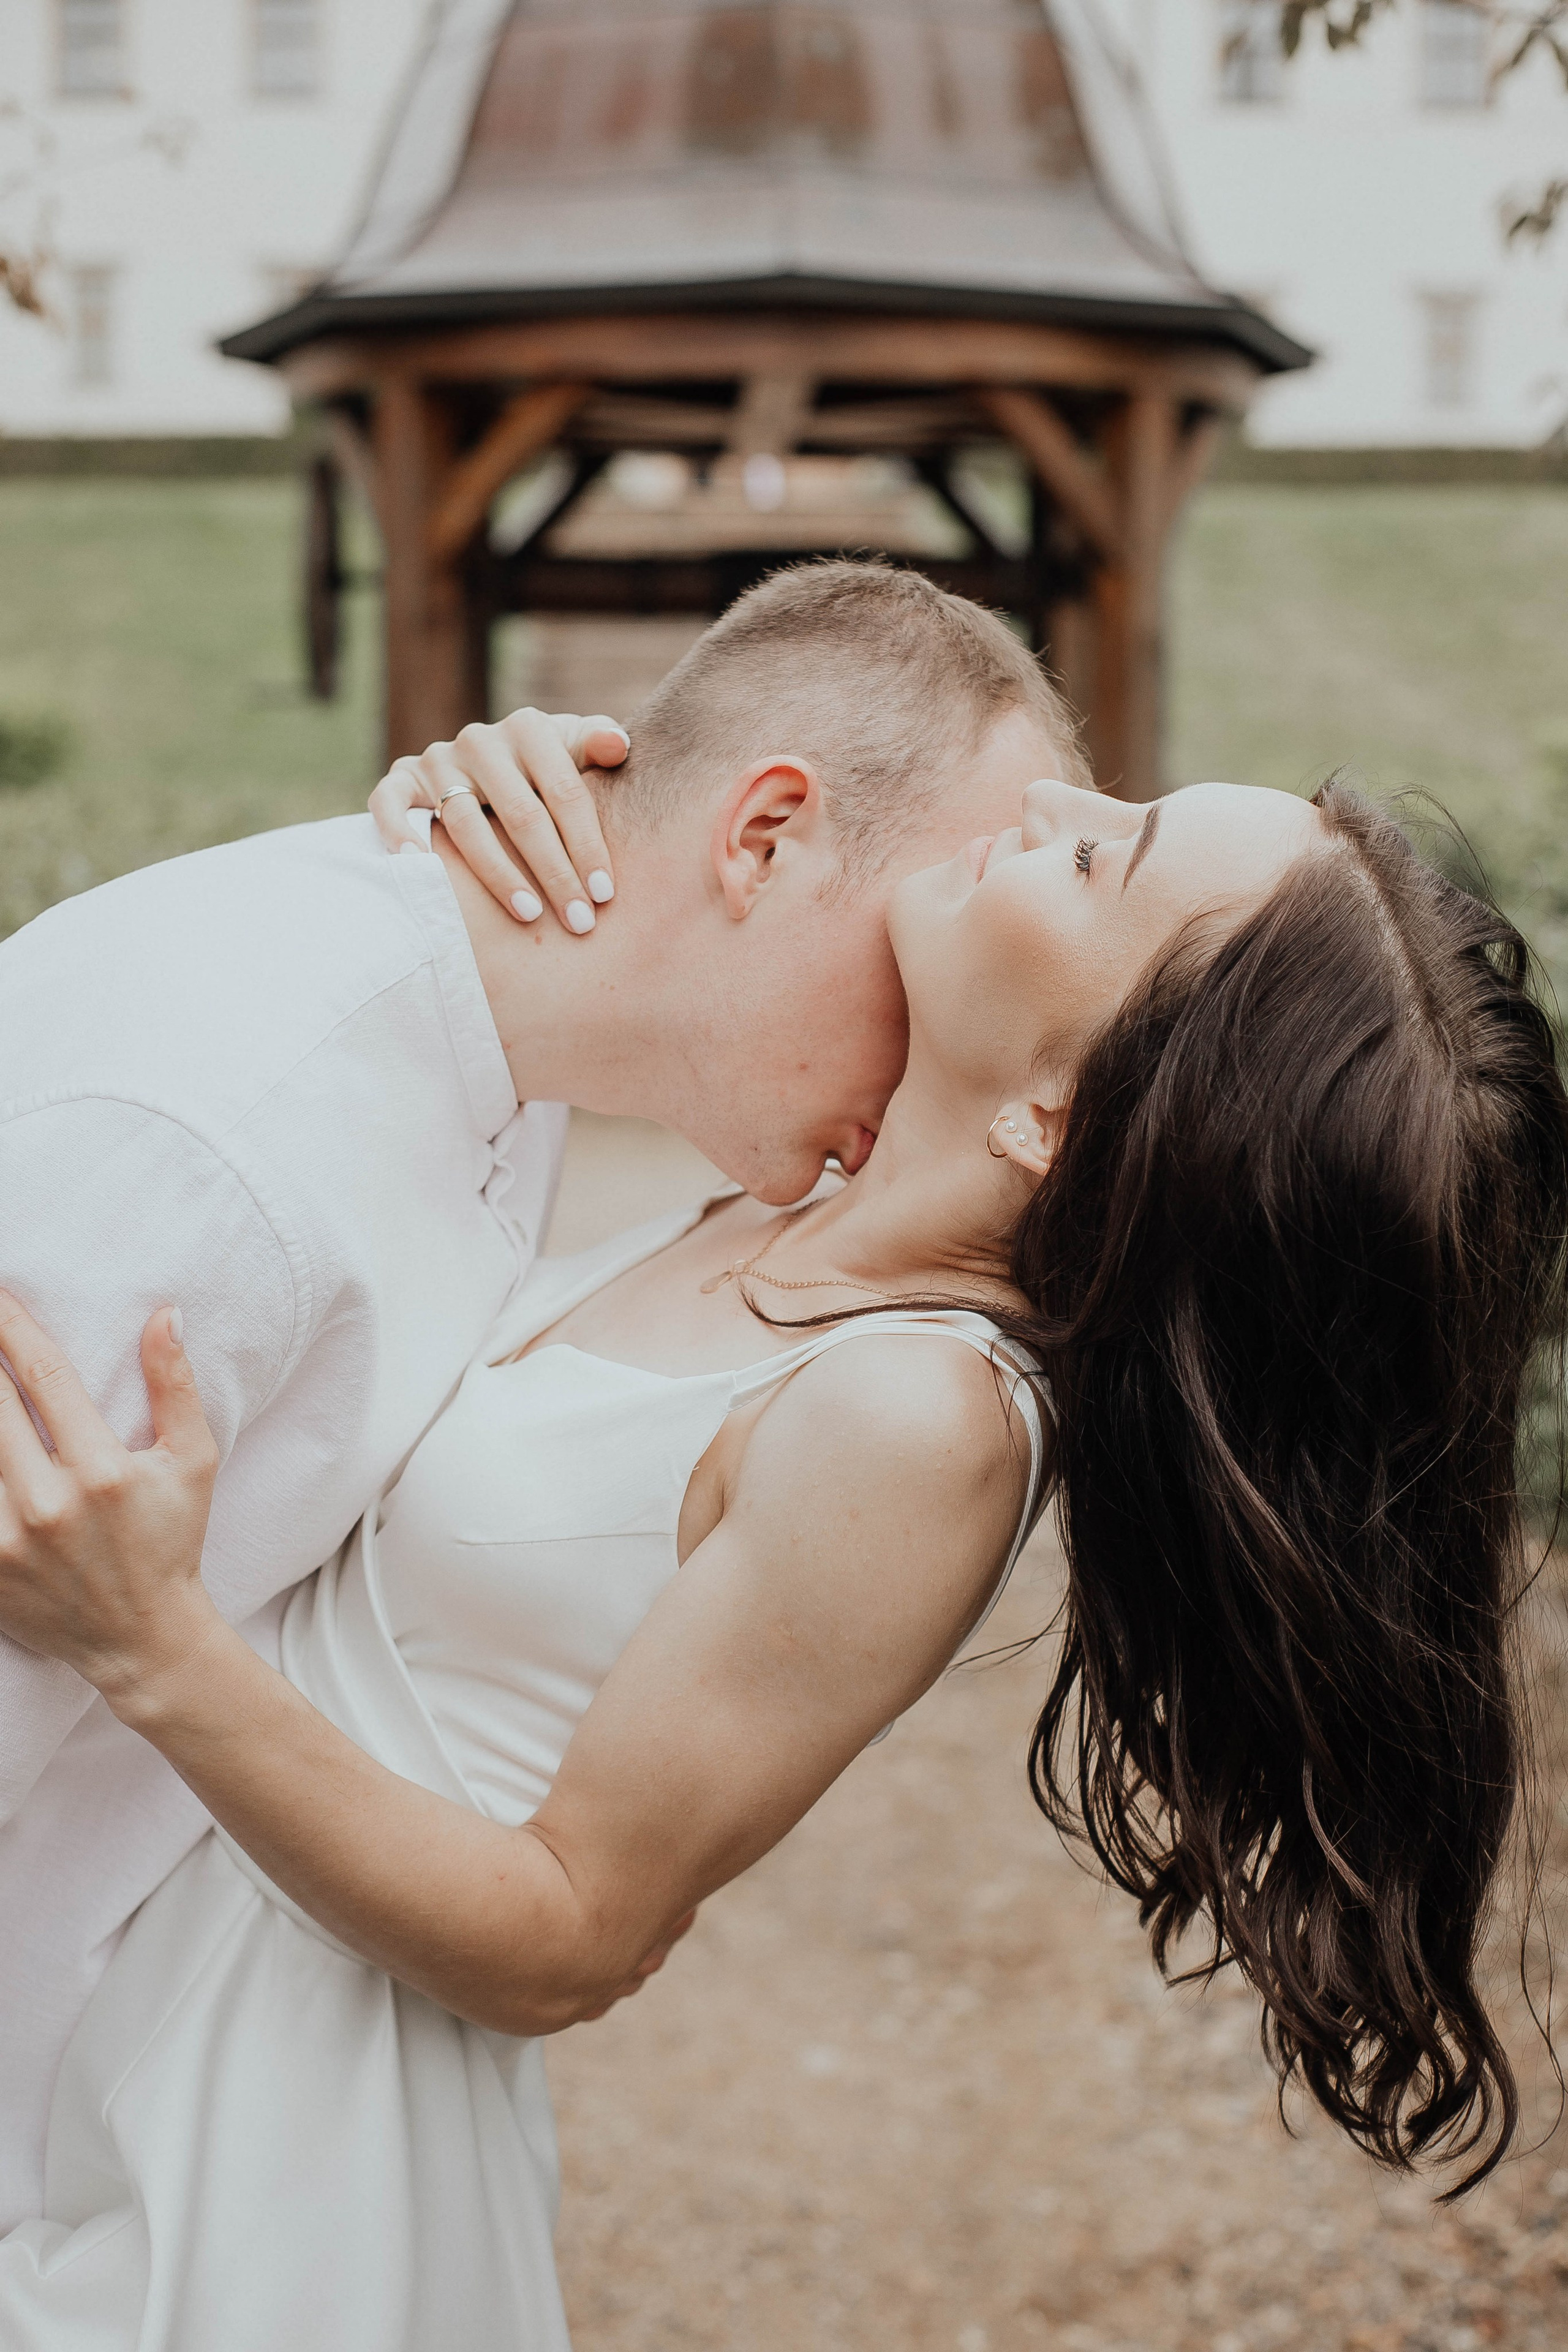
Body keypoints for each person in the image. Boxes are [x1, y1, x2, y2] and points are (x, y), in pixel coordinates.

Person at [0, 767, 1562, 2351]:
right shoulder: (804, 1205)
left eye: (1100, 856)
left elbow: (566, 1940)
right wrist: (524, 780)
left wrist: (152, 1644)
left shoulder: (917, 1415)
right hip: (124, 1974)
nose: (1039, 797)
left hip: (285, 2132)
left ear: (1058, 1115)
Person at [0, 560, 1089, 2231]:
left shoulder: (514, 1065)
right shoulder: (214, 1152)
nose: (936, 1048)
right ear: (765, 839)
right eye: (928, 943)